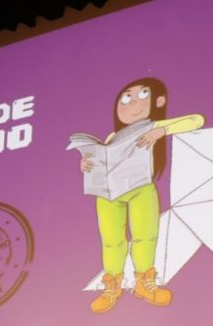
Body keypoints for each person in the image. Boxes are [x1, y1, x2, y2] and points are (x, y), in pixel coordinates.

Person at [80, 78, 204, 312]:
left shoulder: (152, 125)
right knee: (111, 240)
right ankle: (112, 286)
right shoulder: (112, 136)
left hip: (140, 187)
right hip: (108, 193)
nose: (132, 103)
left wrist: (162, 131)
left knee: (145, 235)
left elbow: (196, 120)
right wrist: (88, 164)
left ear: (158, 101)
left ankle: (144, 283)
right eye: (126, 98)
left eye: (142, 95)